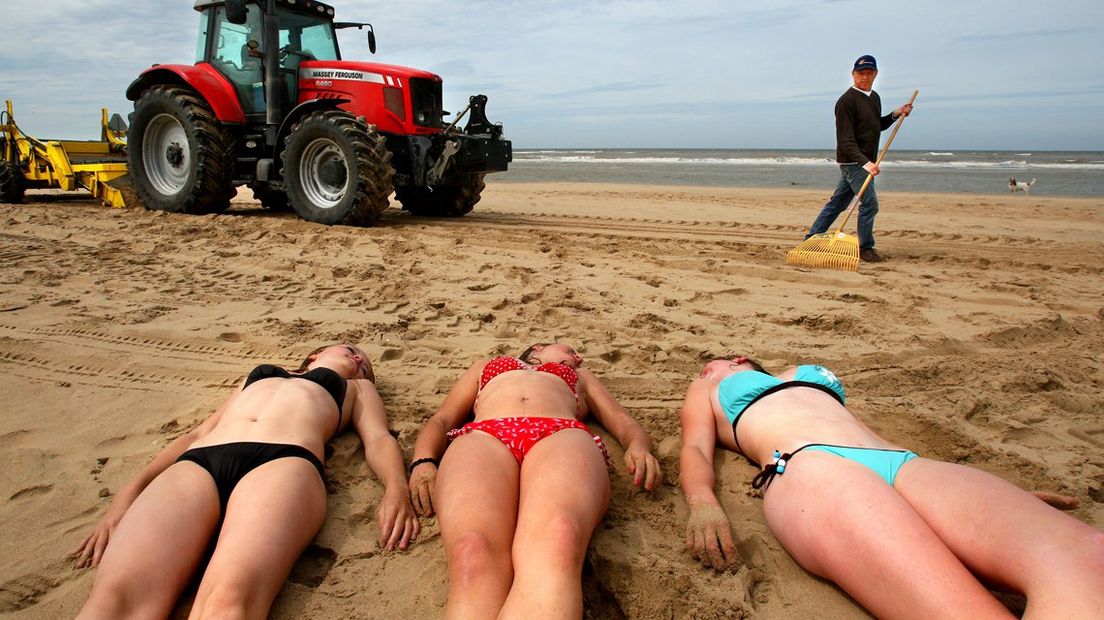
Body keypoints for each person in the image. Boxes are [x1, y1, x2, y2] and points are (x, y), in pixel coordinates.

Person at [679, 355, 1104, 618]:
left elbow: (857, 427)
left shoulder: (798, 374)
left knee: (1087, 559)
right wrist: (703, 502)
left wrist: (999, 503)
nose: (709, 366)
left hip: (901, 462)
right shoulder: (708, 387)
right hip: (810, 462)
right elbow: (695, 448)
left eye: (714, 362)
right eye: (709, 367)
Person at [73, 344, 419, 619]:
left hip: (283, 461)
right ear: (314, 355)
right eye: (351, 350)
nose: (359, 359)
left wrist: (395, 489)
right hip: (199, 462)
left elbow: (377, 439)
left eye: (365, 363)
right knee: (116, 599)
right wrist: (126, 497)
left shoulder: (356, 389)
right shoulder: (254, 377)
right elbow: (197, 433)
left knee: (228, 602)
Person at [408, 342, 661, 618]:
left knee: (559, 537)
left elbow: (621, 420)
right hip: (485, 434)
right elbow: (443, 419)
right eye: (571, 351)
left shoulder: (582, 377)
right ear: (538, 347)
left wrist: (638, 445)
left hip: (558, 431)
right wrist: (423, 461)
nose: (579, 357)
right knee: (472, 549)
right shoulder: (485, 366)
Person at [805, 55, 914, 263]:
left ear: (875, 75)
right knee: (870, 203)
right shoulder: (846, 102)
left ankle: (811, 238)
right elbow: (845, 140)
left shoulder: (874, 98)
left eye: (869, 73)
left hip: (864, 161)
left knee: (837, 203)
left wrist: (895, 114)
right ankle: (865, 248)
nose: (865, 77)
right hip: (853, 161)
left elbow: (876, 125)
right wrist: (866, 163)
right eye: (860, 73)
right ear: (853, 75)